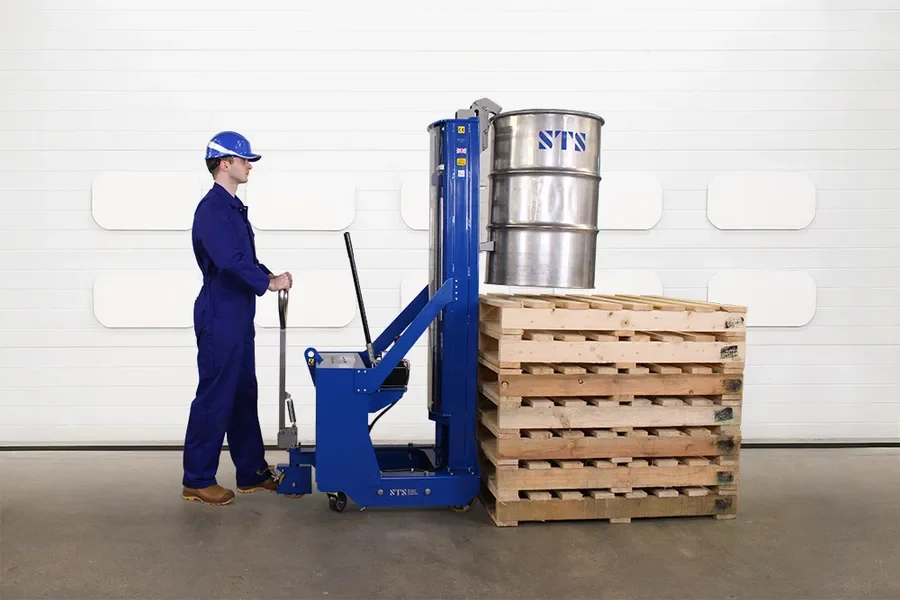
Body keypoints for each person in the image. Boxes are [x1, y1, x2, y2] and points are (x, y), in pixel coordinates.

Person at [181, 131, 292, 506]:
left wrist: (270, 275)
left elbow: (243, 258)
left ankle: (251, 473)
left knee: (244, 394)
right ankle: (197, 478)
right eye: (244, 160)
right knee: (215, 396)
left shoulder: (232, 208)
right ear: (224, 163)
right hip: (220, 314)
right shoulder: (212, 209)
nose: (249, 166)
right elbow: (228, 261)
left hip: (239, 314)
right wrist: (267, 281)